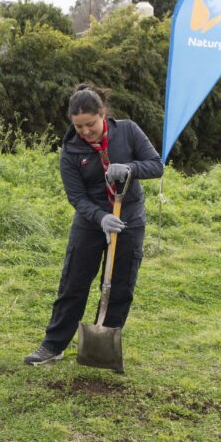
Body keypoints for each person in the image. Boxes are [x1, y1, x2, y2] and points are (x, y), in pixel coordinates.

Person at [24, 83, 163, 367]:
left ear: (102, 113)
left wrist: (130, 168)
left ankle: (104, 347)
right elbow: (76, 196)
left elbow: (156, 164)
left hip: (129, 218)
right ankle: (54, 345)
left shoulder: (128, 131)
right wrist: (100, 218)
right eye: (78, 127)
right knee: (74, 281)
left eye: (90, 124)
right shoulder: (71, 151)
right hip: (91, 221)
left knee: (120, 284)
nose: (85, 132)